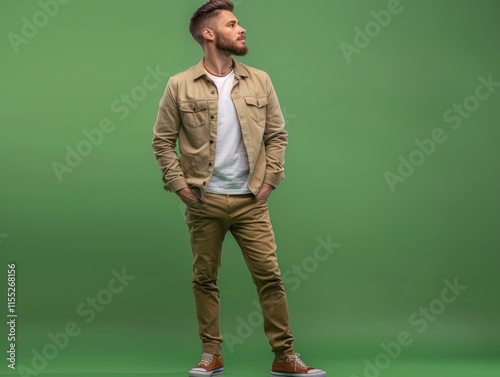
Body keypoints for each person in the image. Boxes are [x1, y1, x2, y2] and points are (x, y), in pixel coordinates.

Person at [152, 1, 326, 376]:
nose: (242, 29)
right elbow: (162, 142)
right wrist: (179, 186)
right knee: (204, 279)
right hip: (204, 201)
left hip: (251, 201)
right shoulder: (179, 85)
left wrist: (269, 181)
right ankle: (210, 355)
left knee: (270, 277)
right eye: (233, 24)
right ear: (210, 35)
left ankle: (285, 357)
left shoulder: (259, 79)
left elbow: (277, 134)